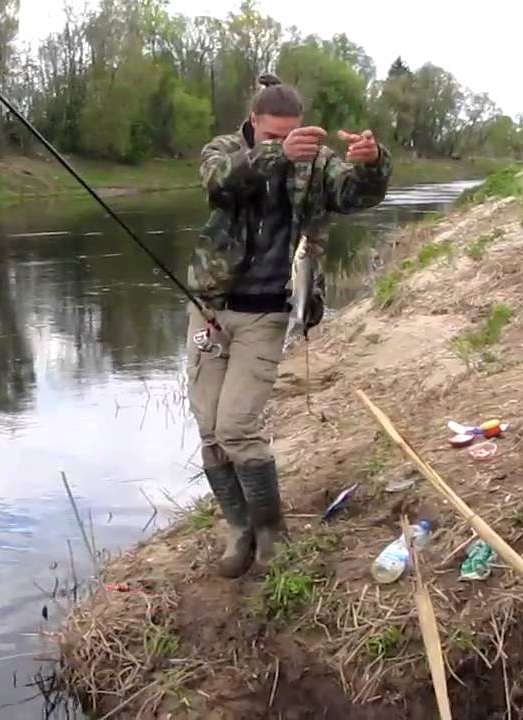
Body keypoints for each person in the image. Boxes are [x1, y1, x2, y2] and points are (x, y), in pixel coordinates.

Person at [186, 74, 392, 578]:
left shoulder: (316, 161)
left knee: (236, 426)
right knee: (210, 430)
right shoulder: (225, 150)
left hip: (269, 311)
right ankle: (239, 530)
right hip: (210, 308)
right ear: (254, 122)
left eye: (291, 133)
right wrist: (274, 155)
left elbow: (356, 197)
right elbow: (219, 184)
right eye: (274, 134)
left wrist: (371, 164)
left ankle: (271, 529)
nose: (285, 141)